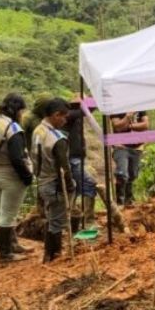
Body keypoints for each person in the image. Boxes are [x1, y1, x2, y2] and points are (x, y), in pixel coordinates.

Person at [0, 93, 34, 262]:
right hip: (11, 176)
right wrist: (27, 177)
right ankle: (5, 253)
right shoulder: (13, 129)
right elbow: (17, 158)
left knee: (4, 211)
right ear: (17, 110)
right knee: (8, 214)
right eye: (21, 111)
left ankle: (13, 244)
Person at [30, 98, 75, 262]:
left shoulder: (38, 130)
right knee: (57, 220)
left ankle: (50, 253)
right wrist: (70, 186)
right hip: (54, 183)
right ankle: (53, 254)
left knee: (51, 217)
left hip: (41, 179)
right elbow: (64, 168)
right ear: (56, 115)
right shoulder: (56, 138)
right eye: (64, 117)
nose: (65, 120)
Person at [65, 97, 98, 231]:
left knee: (76, 189)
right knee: (88, 184)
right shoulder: (70, 115)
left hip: (76, 158)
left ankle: (75, 220)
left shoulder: (75, 116)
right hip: (73, 159)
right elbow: (89, 108)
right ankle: (88, 221)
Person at [110, 110, 149, 205]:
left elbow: (145, 125)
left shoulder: (140, 107)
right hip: (121, 146)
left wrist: (128, 126)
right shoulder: (117, 107)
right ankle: (120, 201)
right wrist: (127, 117)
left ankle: (129, 200)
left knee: (133, 175)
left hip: (137, 147)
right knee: (122, 173)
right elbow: (117, 126)